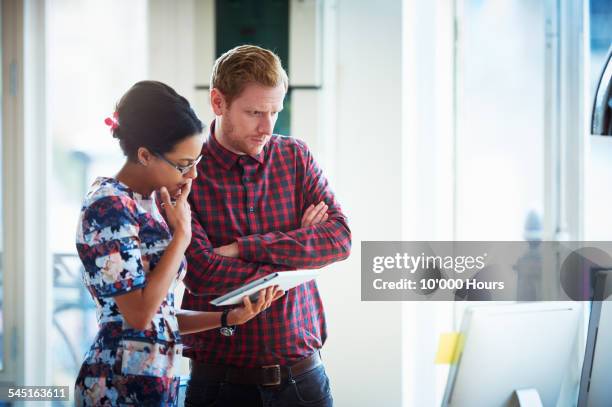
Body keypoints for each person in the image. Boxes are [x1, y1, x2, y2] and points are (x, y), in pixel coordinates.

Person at [74, 80, 283, 406]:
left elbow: (161, 314)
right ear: (145, 155)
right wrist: (181, 237)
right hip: (118, 386)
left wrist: (228, 319)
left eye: (195, 163)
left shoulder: (148, 203)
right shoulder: (109, 206)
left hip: (157, 381)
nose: (192, 176)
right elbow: (139, 315)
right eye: (184, 165)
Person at [182, 45, 352, 407]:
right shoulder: (188, 171)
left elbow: (339, 239)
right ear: (218, 102)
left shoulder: (295, 157)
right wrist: (300, 252)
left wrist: (245, 248)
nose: (267, 126)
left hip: (303, 381)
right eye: (255, 112)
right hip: (220, 386)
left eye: (275, 111)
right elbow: (201, 273)